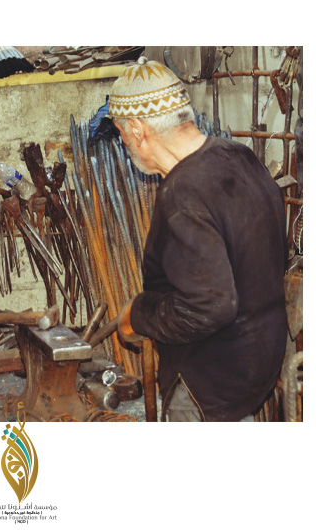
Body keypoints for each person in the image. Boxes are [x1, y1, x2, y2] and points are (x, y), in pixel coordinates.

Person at [109, 58, 288, 422]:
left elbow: (210, 306)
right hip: (259, 363)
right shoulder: (239, 156)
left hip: (209, 382)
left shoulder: (182, 193)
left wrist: (139, 314)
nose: (124, 142)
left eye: (121, 132)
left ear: (138, 129)